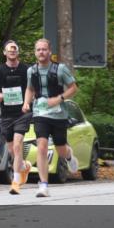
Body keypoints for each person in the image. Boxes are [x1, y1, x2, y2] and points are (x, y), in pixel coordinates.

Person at [21, 39, 79, 198]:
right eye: (38, 49)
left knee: (60, 148)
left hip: (59, 114)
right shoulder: (31, 71)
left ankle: (69, 156)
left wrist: (59, 98)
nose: (41, 52)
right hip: (40, 113)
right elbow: (30, 88)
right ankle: (44, 185)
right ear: (35, 52)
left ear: (49, 51)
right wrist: (26, 102)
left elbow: (74, 88)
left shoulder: (60, 69)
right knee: (42, 146)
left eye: (44, 49)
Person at [0, 41, 33, 194]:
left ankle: (15, 181)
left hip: (23, 112)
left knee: (18, 144)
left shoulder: (26, 69)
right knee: (12, 149)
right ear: (4, 53)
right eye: (9, 50)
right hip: (6, 114)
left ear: (18, 52)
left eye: (15, 50)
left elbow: (33, 88)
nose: (12, 52)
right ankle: (24, 166)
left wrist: (28, 101)